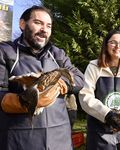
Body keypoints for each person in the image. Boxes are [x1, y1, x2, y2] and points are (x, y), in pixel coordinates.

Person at [0, 6, 84, 150]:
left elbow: (79, 79)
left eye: (48, 25)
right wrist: (27, 100)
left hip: (59, 138)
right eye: (38, 23)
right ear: (22, 24)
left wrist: (58, 84)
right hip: (20, 139)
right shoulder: (5, 51)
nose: (44, 29)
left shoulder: (57, 54)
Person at [78, 30, 120, 149]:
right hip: (99, 130)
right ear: (106, 45)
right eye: (113, 42)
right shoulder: (94, 67)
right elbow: (85, 96)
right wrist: (107, 115)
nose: (118, 46)